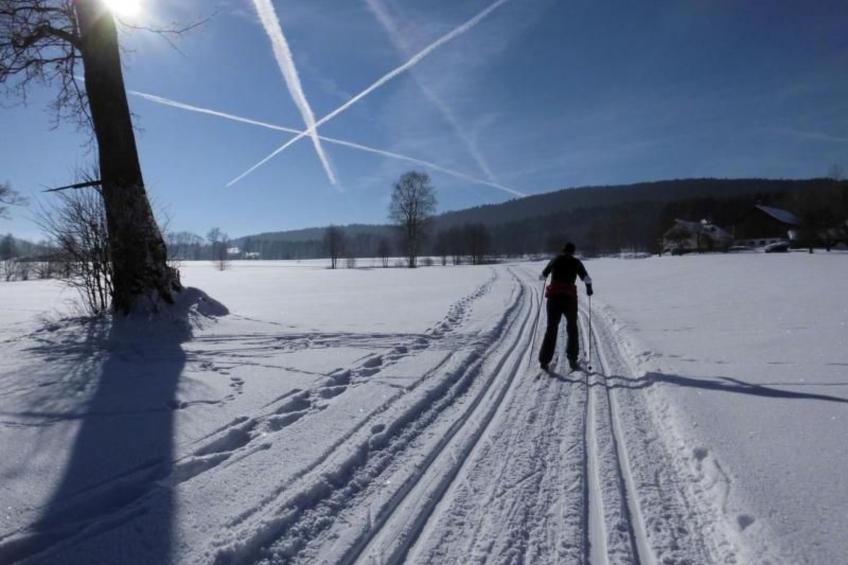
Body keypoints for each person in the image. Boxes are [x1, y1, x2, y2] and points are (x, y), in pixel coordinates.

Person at [538, 242, 593, 371]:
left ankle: (544, 361)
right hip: (569, 299)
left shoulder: (555, 260)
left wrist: (546, 276)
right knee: (572, 327)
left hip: (554, 298)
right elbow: (586, 278)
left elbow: (542, 276)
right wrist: (589, 289)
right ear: (573, 252)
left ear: (562, 250)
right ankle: (572, 358)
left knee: (551, 328)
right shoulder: (576, 262)